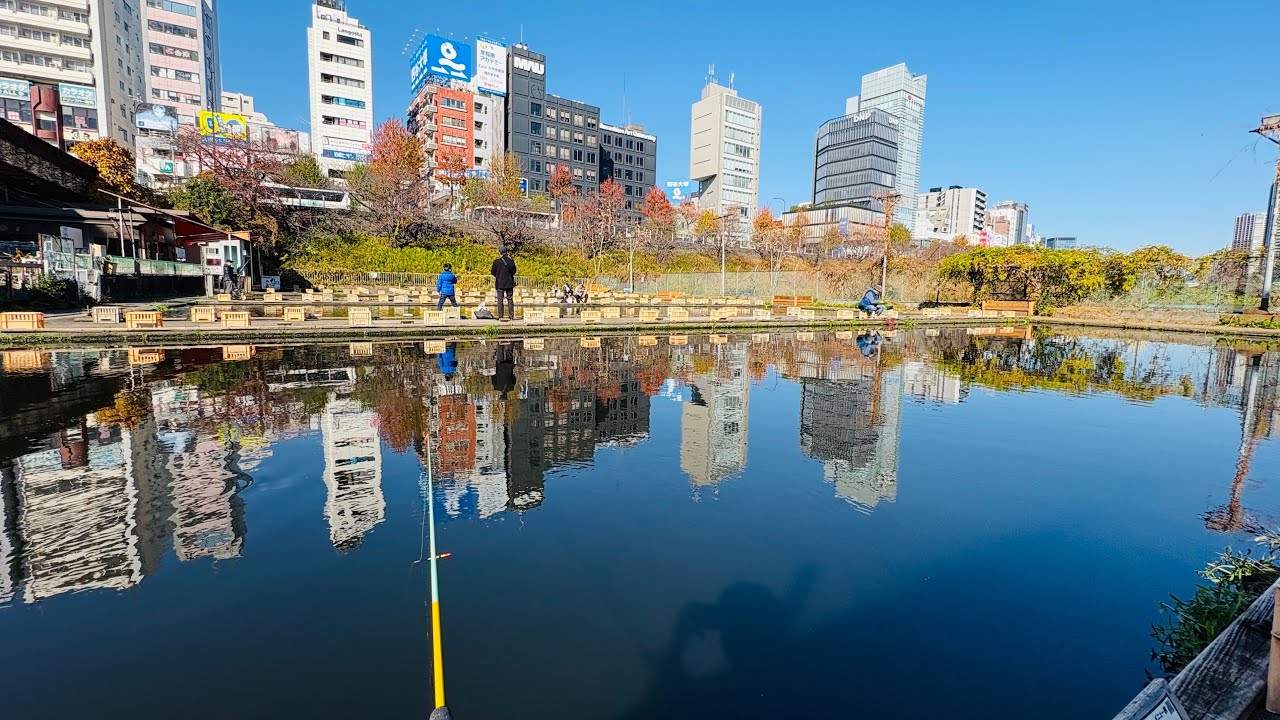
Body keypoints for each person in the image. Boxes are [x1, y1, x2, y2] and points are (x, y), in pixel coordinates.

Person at [490, 247, 517, 321]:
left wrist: (498, 275)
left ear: (500, 253)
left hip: (500, 283)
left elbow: (492, 272)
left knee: (500, 300)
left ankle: (500, 316)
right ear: (506, 252)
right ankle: (511, 316)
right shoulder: (511, 261)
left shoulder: (496, 262)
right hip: (509, 283)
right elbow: (514, 271)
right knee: (510, 299)